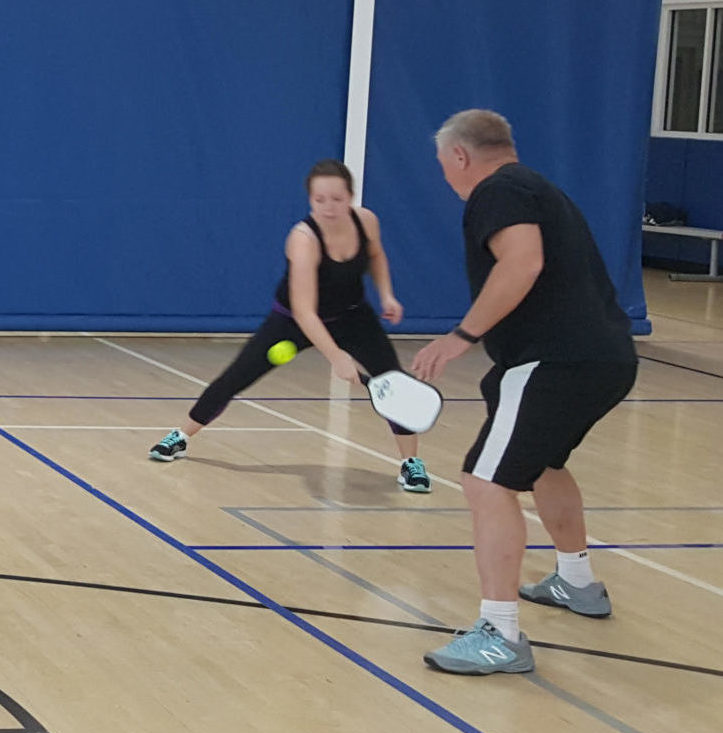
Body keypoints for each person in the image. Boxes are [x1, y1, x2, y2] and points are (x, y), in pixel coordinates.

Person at [412, 110, 637, 674]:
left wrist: (462, 336)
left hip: (554, 361)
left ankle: (499, 634)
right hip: (607, 357)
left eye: (444, 166)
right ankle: (577, 582)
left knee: (484, 480)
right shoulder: (538, 187)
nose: (446, 177)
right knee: (542, 464)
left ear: (461, 156)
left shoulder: (498, 189)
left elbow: (523, 262)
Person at [149, 159, 431, 493]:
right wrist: (337, 356)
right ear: (310, 200)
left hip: (354, 316)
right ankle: (180, 436)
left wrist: (387, 295)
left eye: (337, 199)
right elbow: (304, 310)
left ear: (350, 197)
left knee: (393, 383)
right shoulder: (304, 239)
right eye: (319, 200)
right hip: (292, 321)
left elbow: (376, 255)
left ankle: (410, 463)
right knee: (236, 376)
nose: (328, 207)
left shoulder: (366, 221)